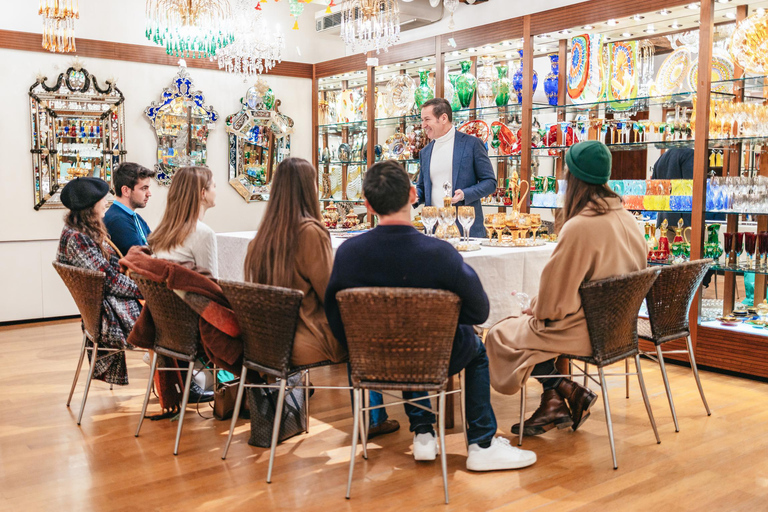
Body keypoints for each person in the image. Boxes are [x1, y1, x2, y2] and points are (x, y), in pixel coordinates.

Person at [325, 160, 537, 472]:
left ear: (368, 205)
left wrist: (362, 347)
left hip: (371, 358)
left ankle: (424, 431)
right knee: (472, 347)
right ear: (413, 194)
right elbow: (480, 310)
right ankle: (481, 443)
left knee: (405, 332)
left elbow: (334, 316)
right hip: (435, 356)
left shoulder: (347, 253)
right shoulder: (440, 253)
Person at [486, 141, 647, 436]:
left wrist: (535, 307)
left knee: (498, 334)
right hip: (620, 328)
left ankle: (566, 388)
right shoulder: (629, 218)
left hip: (587, 331)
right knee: (528, 327)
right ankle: (554, 403)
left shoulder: (580, 227)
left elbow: (553, 305)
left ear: (572, 179)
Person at [243, 158, 399, 439]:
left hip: (268, 341)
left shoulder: (260, 238)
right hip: (307, 339)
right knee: (364, 329)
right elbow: (333, 292)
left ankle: (374, 417)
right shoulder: (310, 233)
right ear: (308, 188)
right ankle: (372, 419)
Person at [56, 177, 142, 386]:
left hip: (107, 307)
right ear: (90, 207)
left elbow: (107, 274)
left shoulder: (80, 232)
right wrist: (144, 290)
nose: (107, 203)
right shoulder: (78, 238)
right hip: (110, 314)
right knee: (171, 318)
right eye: (103, 199)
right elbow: (109, 281)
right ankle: (182, 389)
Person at [415, 97, 497, 238]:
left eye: (427, 119)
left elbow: (490, 182)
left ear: (443, 118)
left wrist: (465, 194)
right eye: (422, 120)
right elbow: (422, 187)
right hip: (435, 231)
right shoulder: (425, 152)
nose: (423, 125)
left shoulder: (472, 144)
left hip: (466, 230)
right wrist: (415, 195)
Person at [150, 166, 219, 278]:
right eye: (214, 186)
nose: (216, 191)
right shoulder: (203, 233)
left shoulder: (163, 231)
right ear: (203, 193)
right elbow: (211, 285)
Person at [104, 162, 156, 257]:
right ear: (126, 191)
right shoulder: (117, 220)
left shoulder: (133, 216)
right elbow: (140, 259)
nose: (149, 193)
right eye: (144, 188)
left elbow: (155, 244)